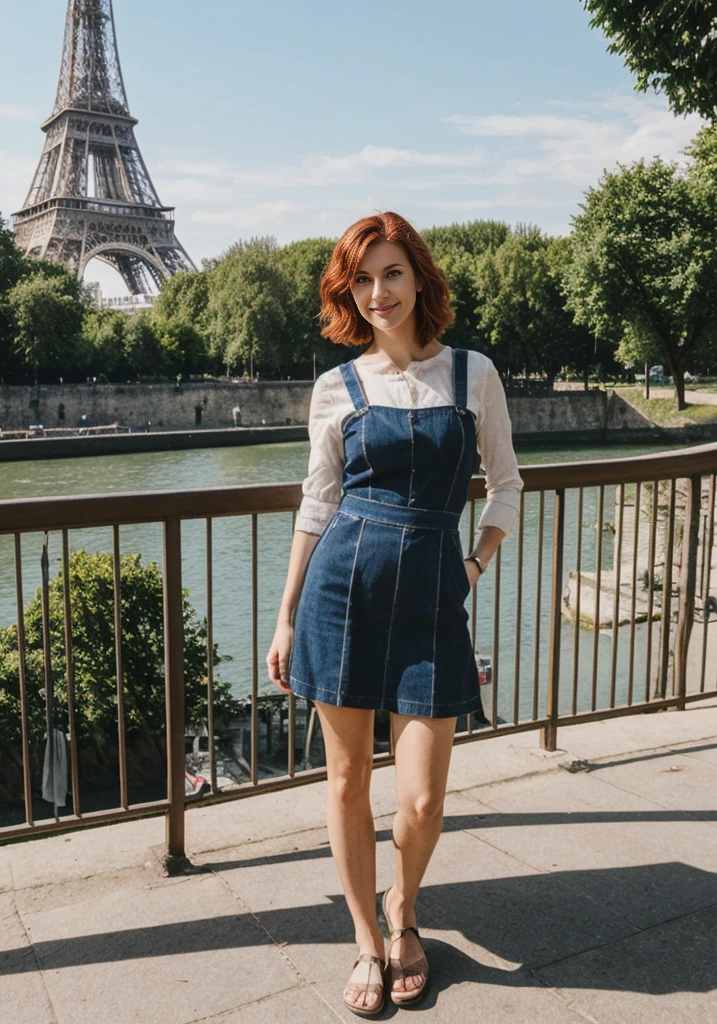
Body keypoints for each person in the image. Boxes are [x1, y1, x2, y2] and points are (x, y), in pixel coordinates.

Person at [266, 212, 522, 1017]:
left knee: (420, 800)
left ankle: (404, 907)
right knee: (346, 784)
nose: (379, 292)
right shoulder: (334, 387)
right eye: (363, 279)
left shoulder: (472, 374)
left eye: (393, 274)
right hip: (340, 593)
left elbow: (507, 485)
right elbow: (317, 505)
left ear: (420, 280)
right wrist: (283, 618)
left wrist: (472, 566)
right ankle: (368, 941)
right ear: (351, 291)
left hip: (431, 602)